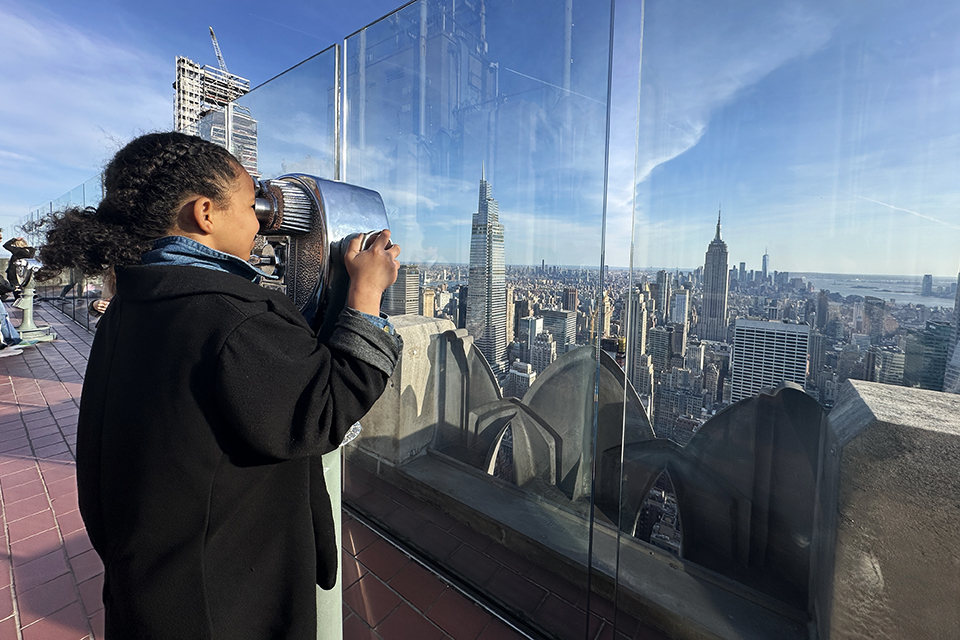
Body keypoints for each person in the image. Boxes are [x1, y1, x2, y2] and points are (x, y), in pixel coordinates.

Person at [37, 132, 402, 639]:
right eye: (253, 204)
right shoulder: (229, 318)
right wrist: (365, 294)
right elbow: (321, 410)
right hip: (222, 600)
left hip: (159, 580)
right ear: (205, 214)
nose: (262, 221)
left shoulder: (140, 301)